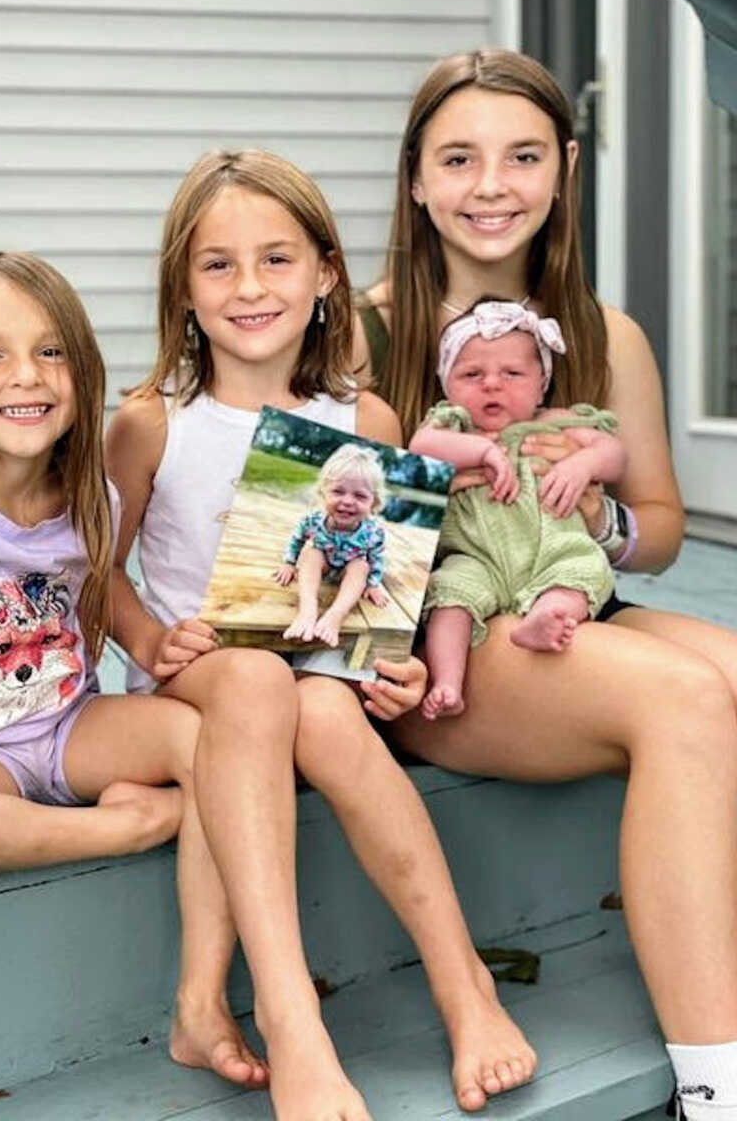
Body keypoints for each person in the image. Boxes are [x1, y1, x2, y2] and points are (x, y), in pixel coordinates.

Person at [105, 148, 537, 1120]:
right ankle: (296, 1019)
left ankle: (463, 983)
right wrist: (146, 638)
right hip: (203, 681)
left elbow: (389, 578)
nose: (250, 287)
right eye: (217, 265)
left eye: (277, 259)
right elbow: (96, 570)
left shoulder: (365, 414)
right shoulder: (151, 424)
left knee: (332, 715)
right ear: (181, 287)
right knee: (257, 685)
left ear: (327, 274)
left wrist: (400, 665)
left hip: (322, 678)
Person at [354, 48, 737, 1121]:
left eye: (523, 156)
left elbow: (657, 528)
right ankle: (719, 1094)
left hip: (572, 604)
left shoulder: (605, 334)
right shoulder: (363, 331)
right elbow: (323, 521)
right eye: (460, 158)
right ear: (417, 178)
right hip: (441, 643)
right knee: (686, 698)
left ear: (564, 168)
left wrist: (596, 516)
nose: (492, 186)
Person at [0, 251, 268, 1092]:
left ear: (80, 367)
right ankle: (132, 827)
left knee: (201, 737)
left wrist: (153, 643)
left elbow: (90, 610)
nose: (25, 377)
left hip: (69, 729)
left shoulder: (93, 497)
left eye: (50, 351)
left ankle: (201, 1000)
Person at [410, 298, 626, 718]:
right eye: (472, 374)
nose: (492, 384)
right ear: (447, 384)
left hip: (552, 552)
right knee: (450, 596)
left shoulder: (556, 421)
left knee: (581, 572)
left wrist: (584, 464)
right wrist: (481, 452)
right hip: (477, 559)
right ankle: (448, 683)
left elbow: (613, 453)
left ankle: (545, 620)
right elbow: (421, 448)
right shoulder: (450, 426)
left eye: (512, 373)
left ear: (542, 382)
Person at [276, 441, 389, 647]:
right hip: (323, 563)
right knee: (311, 552)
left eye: (360, 496)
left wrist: (373, 584)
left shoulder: (374, 532)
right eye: (338, 491)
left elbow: (377, 558)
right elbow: (297, 539)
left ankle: (335, 616)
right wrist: (289, 562)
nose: (347, 501)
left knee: (361, 565)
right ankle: (308, 610)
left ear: (374, 502)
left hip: (348, 569)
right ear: (323, 492)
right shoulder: (313, 521)